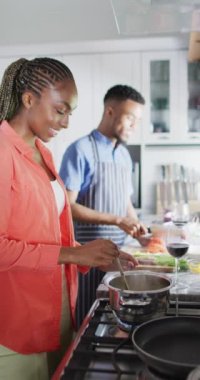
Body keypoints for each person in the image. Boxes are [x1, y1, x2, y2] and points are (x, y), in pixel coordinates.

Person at [0, 58, 137, 380]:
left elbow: (44, 236)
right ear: (29, 99)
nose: (65, 123)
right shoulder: (3, 152)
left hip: (59, 310)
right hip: (19, 322)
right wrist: (75, 254)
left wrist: (90, 254)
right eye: (60, 110)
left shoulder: (42, 152)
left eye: (70, 113)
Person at [59, 84, 147, 326]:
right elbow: (67, 206)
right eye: (130, 118)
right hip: (87, 255)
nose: (134, 126)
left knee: (114, 321)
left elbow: (125, 201)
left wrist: (140, 233)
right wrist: (118, 220)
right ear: (110, 111)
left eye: (137, 120)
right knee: (88, 323)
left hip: (119, 256)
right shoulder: (80, 150)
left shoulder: (124, 155)